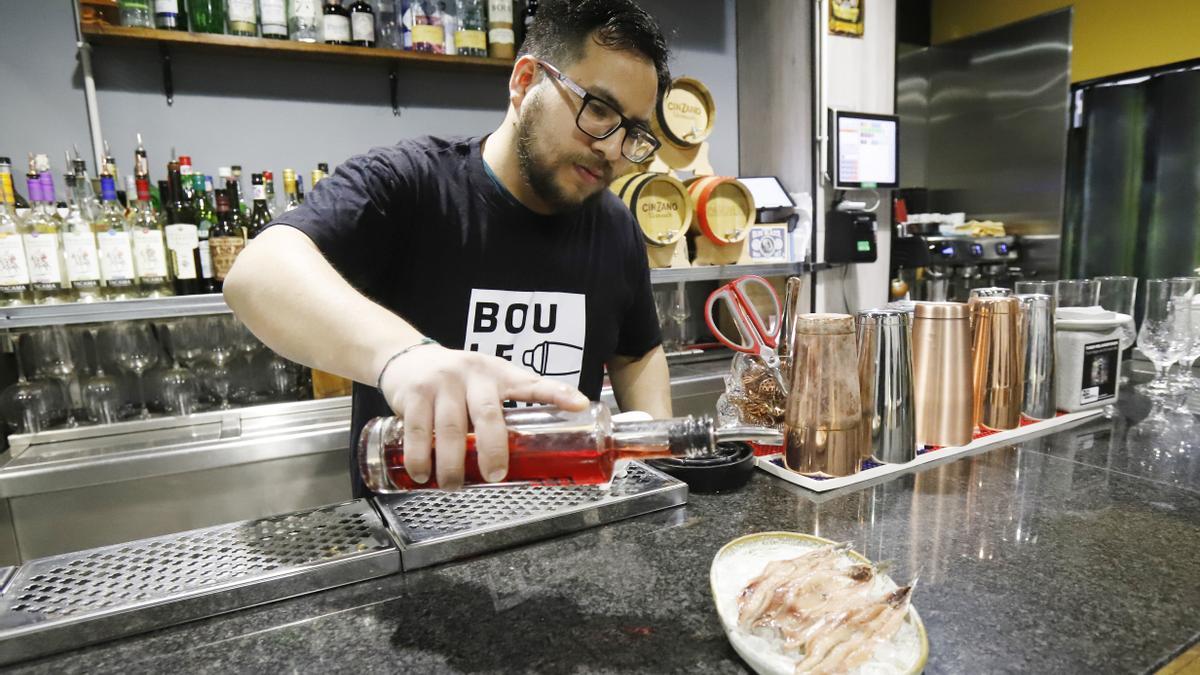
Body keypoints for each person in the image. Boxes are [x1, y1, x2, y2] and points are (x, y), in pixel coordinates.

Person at [224, 0, 673, 495]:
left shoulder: (615, 226)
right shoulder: (409, 183)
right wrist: (405, 356)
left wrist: (648, 463)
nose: (612, 148)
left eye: (632, 132)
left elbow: (637, 353)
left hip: (561, 525)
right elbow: (258, 274)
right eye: (599, 110)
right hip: (417, 537)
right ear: (525, 83)